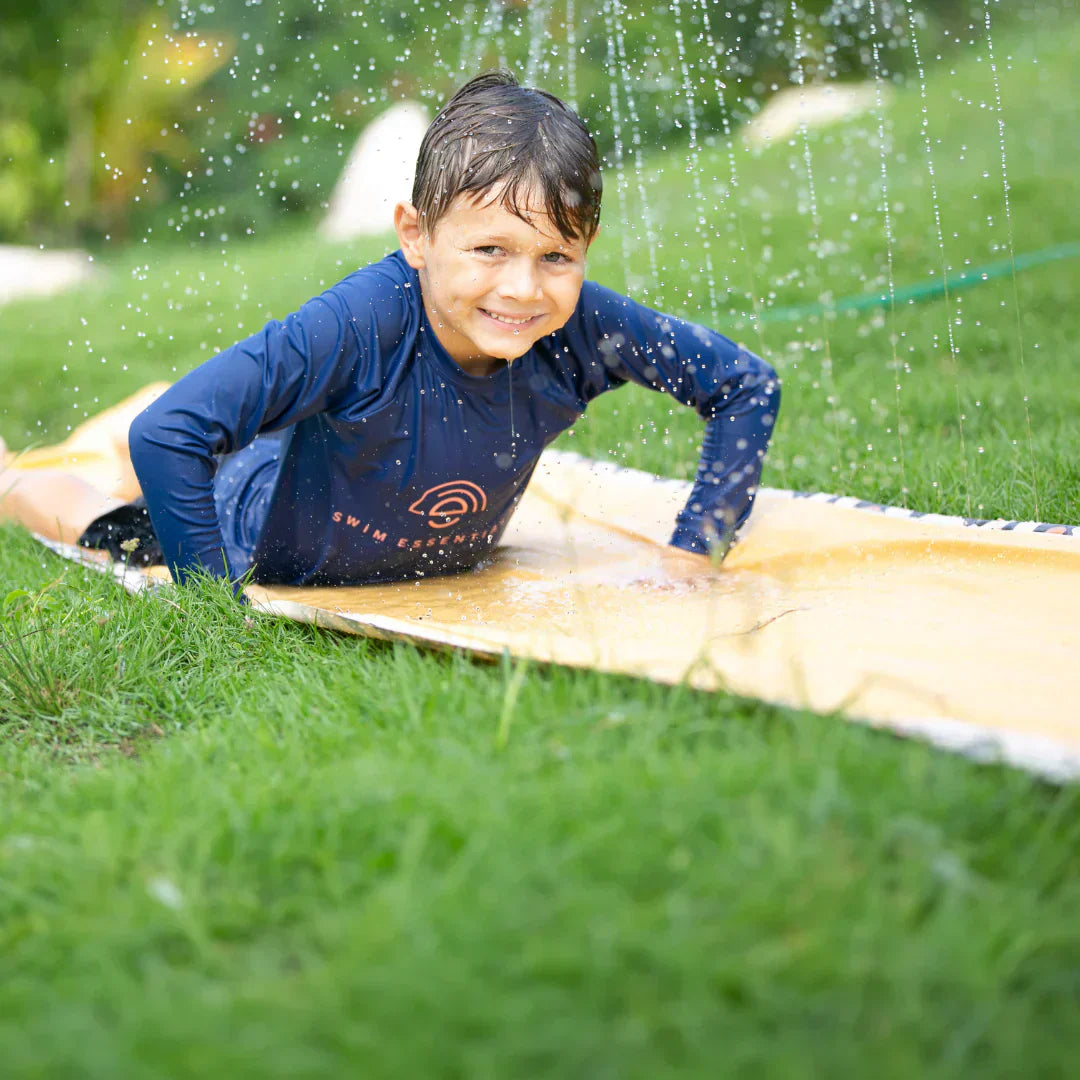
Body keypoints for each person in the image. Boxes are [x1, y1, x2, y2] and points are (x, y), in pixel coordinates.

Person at [1, 71, 780, 590]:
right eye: (489, 250)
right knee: (107, 521)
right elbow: (169, 433)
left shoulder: (580, 325)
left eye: (556, 256)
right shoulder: (357, 325)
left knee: (232, 426)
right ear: (416, 235)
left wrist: (695, 551)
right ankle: (11, 478)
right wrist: (213, 613)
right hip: (253, 524)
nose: (523, 287)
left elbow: (745, 384)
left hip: (331, 454)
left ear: (586, 249)